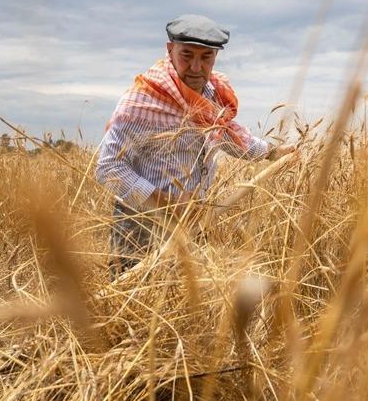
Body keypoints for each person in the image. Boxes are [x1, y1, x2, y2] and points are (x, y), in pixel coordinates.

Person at [95, 14, 294, 276]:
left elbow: (228, 136)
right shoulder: (142, 99)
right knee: (130, 307)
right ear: (170, 50)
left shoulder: (211, 94)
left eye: (206, 57)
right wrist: (166, 203)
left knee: (183, 311)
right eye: (187, 55)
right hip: (140, 226)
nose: (196, 67)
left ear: (215, 57)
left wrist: (273, 153)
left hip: (194, 223)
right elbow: (108, 168)